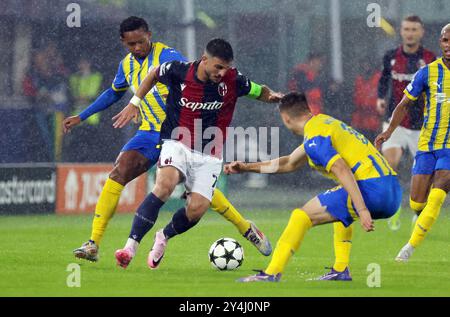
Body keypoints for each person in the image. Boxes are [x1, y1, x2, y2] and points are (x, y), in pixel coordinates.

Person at [64, 17, 271, 263]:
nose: (138, 48)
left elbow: (194, 82)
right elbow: (113, 92)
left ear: (149, 35)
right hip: (148, 132)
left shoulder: (168, 56)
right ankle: (94, 243)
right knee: (119, 171)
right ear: (123, 42)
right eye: (131, 44)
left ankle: (245, 227)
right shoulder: (126, 65)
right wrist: (83, 115)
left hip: (177, 132)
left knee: (197, 194)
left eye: (141, 41)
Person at [112, 38, 282, 269]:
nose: (222, 73)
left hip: (209, 152)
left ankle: (163, 236)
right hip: (176, 140)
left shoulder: (233, 79)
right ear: (204, 60)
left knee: (196, 209)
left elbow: (257, 90)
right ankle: (129, 247)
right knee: (165, 185)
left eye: (226, 68)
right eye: (218, 67)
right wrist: (135, 101)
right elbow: (152, 74)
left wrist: (271, 96)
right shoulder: (178, 70)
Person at [225, 92, 402, 282]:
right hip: (392, 190)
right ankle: (340, 269)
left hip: (373, 190)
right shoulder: (323, 124)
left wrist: (363, 209)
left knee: (301, 216)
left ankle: (271, 273)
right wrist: (246, 167)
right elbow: (289, 163)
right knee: (340, 206)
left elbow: (341, 168)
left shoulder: (314, 139)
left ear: (285, 118)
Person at [375, 23, 450, 262]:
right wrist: (388, 132)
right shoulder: (427, 72)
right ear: (440, 42)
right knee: (417, 203)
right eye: (446, 40)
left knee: (438, 195)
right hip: (427, 144)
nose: (449, 45)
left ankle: (408, 248)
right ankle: (422, 213)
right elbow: (405, 103)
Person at [376, 15, 436, 230]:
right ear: (401, 31)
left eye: (414, 29)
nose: (410, 33)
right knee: (389, 166)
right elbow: (383, 79)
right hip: (395, 122)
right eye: (406, 29)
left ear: (421, 32)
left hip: (422, 125)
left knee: (421, 174)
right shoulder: (390, 56)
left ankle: (418, 211)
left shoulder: (430, 58)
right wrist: (380, 98)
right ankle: (394, 208)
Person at [351, 60, 382, 142]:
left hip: (375, 120)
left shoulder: (379, 79)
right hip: (361, 120)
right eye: (364, 66)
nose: (366, 68)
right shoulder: (359, 80)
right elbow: (355, 99)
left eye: (367, 66)